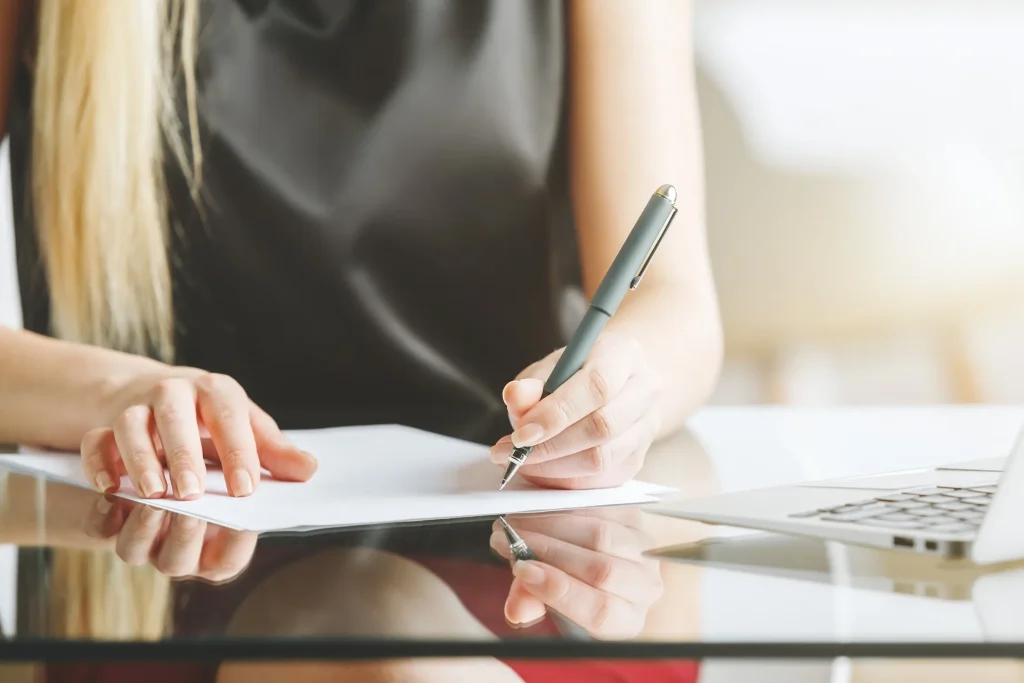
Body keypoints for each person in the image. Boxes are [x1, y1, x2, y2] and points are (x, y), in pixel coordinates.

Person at [0, 0, 720, 680]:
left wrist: (623, 389)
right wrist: (116, 389)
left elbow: (676, 304)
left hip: (524, 550)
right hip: (174, 551)